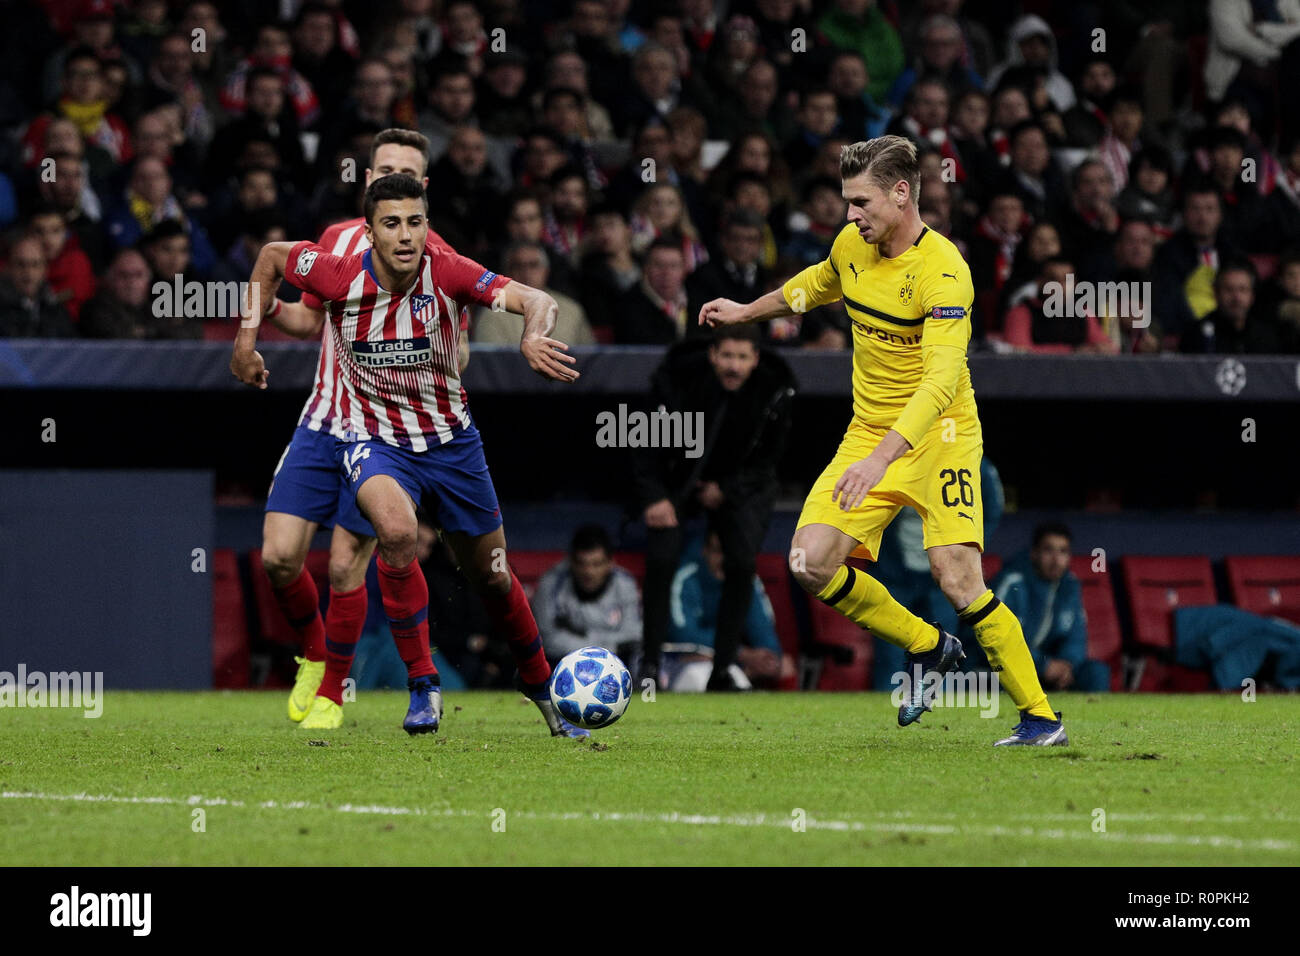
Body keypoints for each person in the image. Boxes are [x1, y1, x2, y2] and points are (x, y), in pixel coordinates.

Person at [699, 135, 1067, 745]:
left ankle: (1039, 718)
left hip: (941, 435)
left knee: (956, 576)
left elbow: (940, 382)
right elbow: (814, 285)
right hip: (870, 431)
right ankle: (928, 646)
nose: (850, 215)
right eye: (847, 201)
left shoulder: (946, 274)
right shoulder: (852, 244)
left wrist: (880, 459)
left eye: (860, 201)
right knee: (808, 563)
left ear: (902, 194)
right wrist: (746, 312)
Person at [232, 172, 589, 740]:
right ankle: (423, 682)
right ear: (368, 232)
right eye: (391, 223)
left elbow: (534, 298)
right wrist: (245, 343)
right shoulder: (336, 275)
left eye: (415, 222)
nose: (405, 235)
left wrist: (530, 334)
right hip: (372, 441)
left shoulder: (447, 271)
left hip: (451, 444)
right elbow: (272, 258)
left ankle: (540, 685)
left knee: (494, 577)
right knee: (396, 534)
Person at [230, 129, 470, 729]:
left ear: (423, 190)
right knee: (279, 559)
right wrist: (257, 313)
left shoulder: (437, 258)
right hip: (322, 420)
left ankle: (333, 692)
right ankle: (314, 652)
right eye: (384, 170)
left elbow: (458, 354)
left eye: (408, 176)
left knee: (344, 567)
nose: (394, 181)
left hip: (382, 433)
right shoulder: (336, 240)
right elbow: (307, 318)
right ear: (368, 181)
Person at [633, 327, 796, 689]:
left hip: (738, 487)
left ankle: (723, 668)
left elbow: (768, 463)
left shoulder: (774, 389)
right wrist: (655, 496)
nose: (733, 366)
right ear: (712, 356)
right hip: (677, 481)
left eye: (741, 358)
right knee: (661, 559)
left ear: (755, 359)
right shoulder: (677, 381)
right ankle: (649, 664)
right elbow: (644, 444)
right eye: (726, 356)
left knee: (740, 563)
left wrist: (726, 489)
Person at [988, 523, 1111, 693]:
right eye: (1048, 550)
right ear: (1034, 554)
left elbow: (1076, 637)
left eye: (1063, 551)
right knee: (1005, 677)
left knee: (1096, 673)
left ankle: (1092, 719)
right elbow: (996, 639)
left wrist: (1066, 665)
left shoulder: (1070, 585)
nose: (1056, 559)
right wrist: (1043, 665)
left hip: (1049, 668)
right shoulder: (1012, 582)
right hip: (1004, 667)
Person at [663, 530, 789, 691]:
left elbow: (764, 632)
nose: (723, 559)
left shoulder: (747, 580)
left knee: (784, 665)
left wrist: (766, 658)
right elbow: (682, 635)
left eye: (730, 552)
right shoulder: (686, 577)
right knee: (702, 666)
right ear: (705, 551)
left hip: (736, 660)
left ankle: (784, 714)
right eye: (717, 552)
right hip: (684, 659)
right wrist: (740, 653)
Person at [534, 524, 642, 664]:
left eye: (596, 564)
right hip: (562, 664)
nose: (588, 572)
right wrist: (609, 645)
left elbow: (633, 635)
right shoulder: (551, 583)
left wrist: (585, 639)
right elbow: (548, 640)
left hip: (614, 664)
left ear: (610, 563)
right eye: (582, 563)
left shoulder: (625, 584)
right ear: (571, 561)